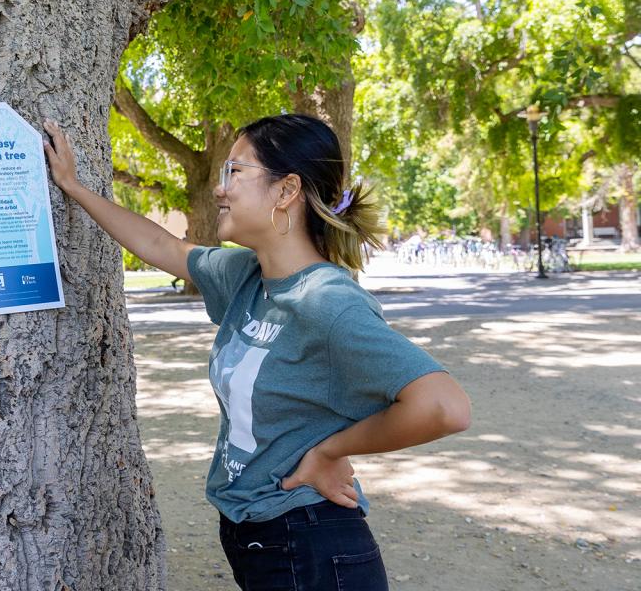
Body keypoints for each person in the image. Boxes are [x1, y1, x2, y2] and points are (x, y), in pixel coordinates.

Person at [42, 113, 470, 591]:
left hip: (311, 545)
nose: (219, 189)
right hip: (261, 540)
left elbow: (444, 407)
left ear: (286, 190)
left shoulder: (327, 301)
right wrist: (73, 187)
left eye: (236, 172)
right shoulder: (247, 275)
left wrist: (331, 451)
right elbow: (160, 243)